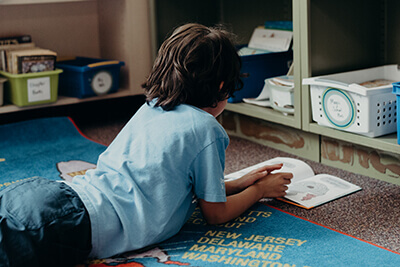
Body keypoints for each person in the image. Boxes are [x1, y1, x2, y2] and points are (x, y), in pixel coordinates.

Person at [0, 23, 293, 266]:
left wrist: (238, 181)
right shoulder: (207, 130)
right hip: (74, 224)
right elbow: (215, 213)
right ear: (221, 86)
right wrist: (259, 191)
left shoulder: (153, 106)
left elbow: (171, 181)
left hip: (53, 195)